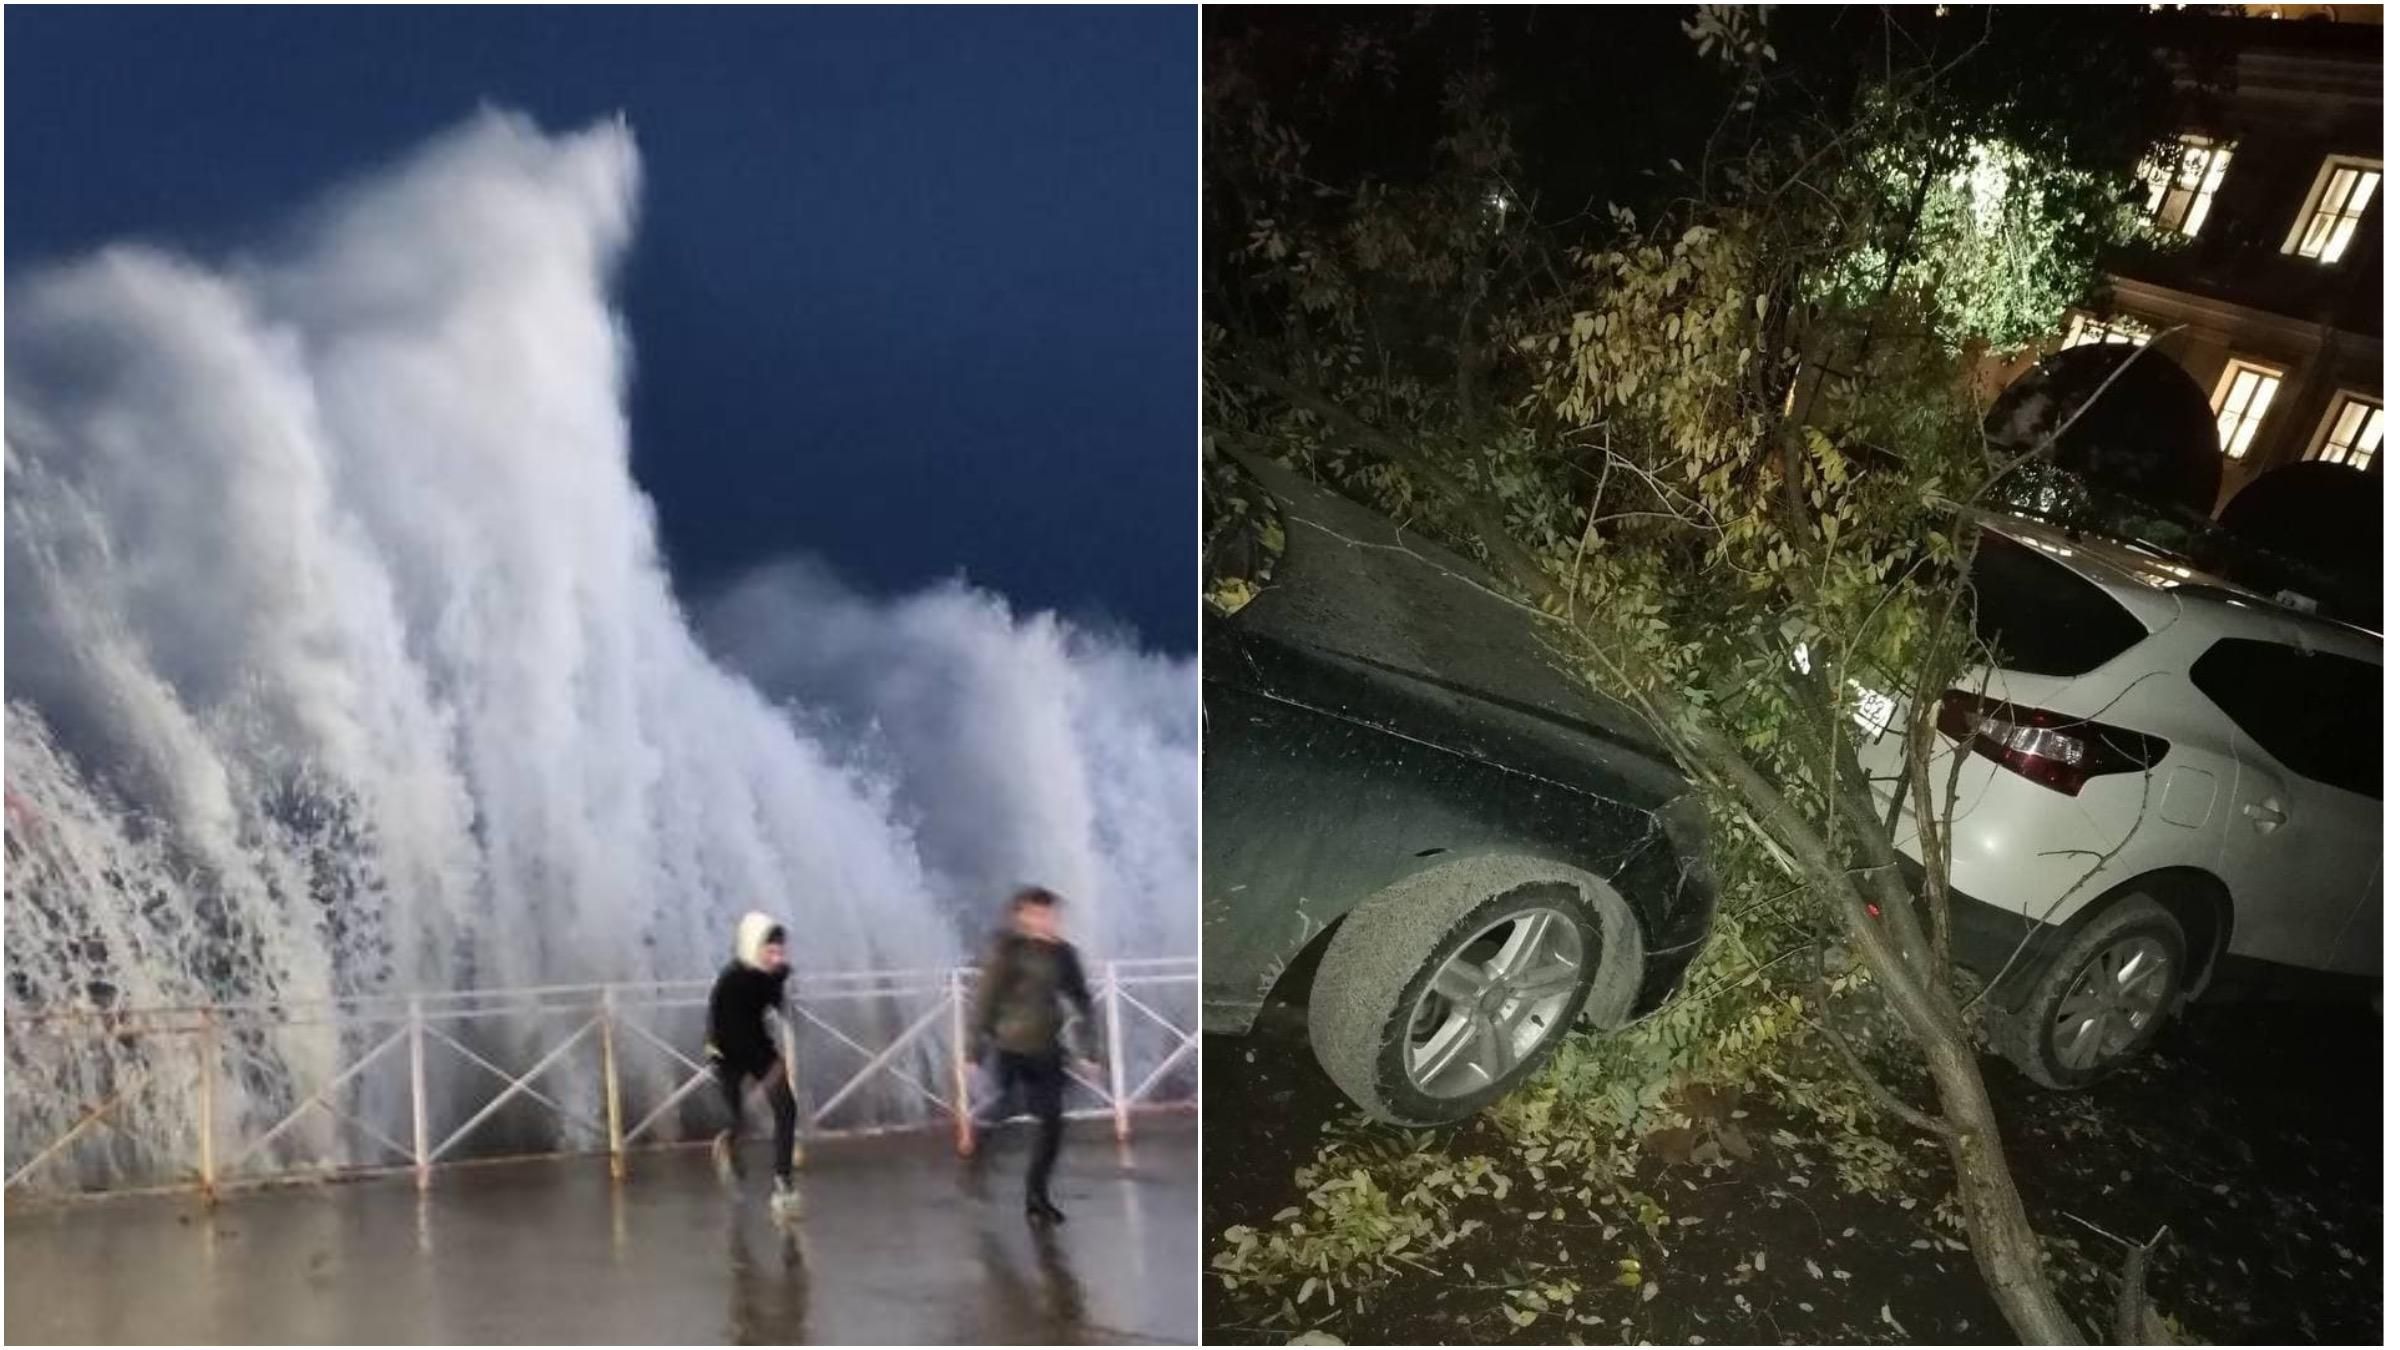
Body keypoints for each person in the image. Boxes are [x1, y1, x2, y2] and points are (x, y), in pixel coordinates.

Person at [964, 886, 1097, 1225]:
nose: (1047, 921)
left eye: (1050, 914)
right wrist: (972, 1050)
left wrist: (1090, 1051)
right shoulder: (1007, 952)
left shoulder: (1064, 955)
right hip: (1010, 1045)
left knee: (1053, 1122)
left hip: (1048, 1047)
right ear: (1021, 916)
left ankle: (1037, 1196)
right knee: (1007, 1108)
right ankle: (980, 1153)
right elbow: (985, 1001)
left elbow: (1082, 1002)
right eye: (1038, 914)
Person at [707, 910, 800, 1218]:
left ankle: (783, 1185)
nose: (776, 958)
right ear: (752, 948)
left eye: (779, 952)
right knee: (740, 1120)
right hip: (726, 1050)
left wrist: (782, 981)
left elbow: (775, 1003)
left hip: (757, 1042)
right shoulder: (733, 982)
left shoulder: (767, 975)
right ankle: (728, 1145)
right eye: (770, 952)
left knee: (786, 1107)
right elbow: (732, 1034)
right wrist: (769, 1072)